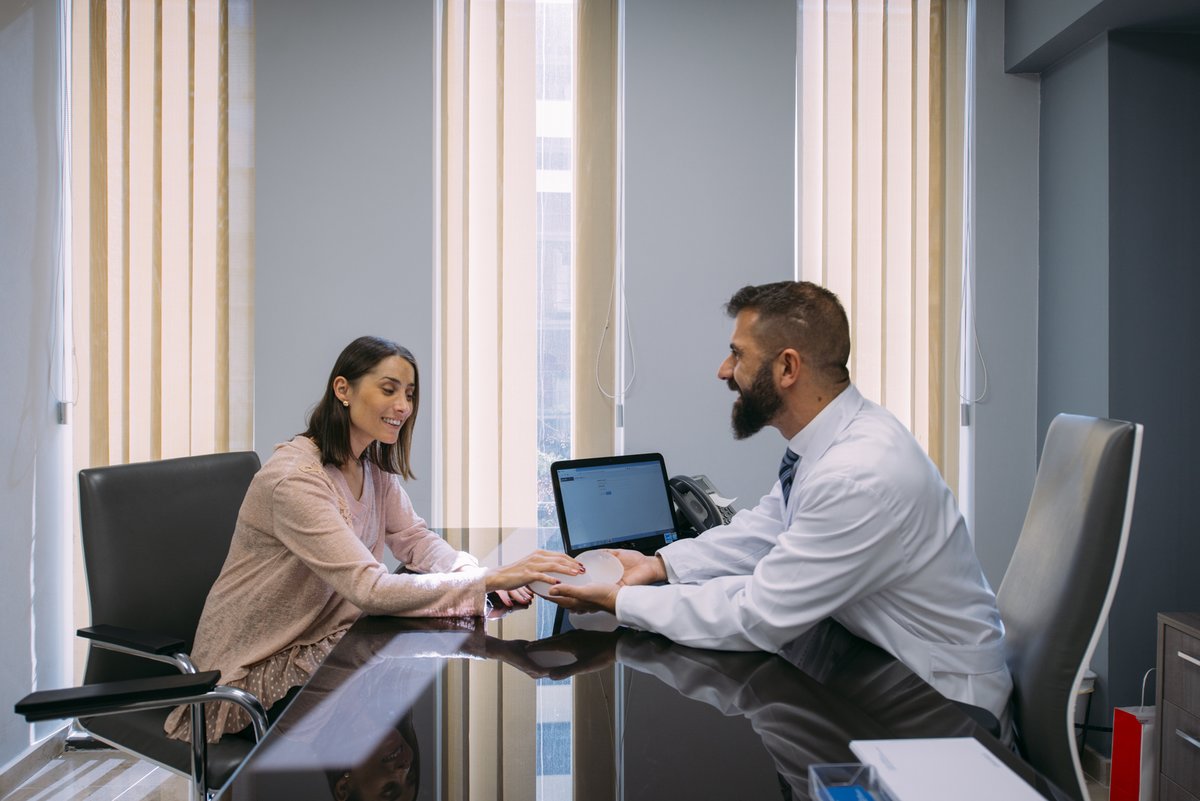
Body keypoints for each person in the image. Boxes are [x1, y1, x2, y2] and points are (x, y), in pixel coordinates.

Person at [549, 281, 1013, 726]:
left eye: (738, 354)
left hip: (938, 702)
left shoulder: (856, 474)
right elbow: (768, 528)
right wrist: (659, 564)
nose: (724, 371)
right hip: (872, 666)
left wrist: (621, 600)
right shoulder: (830, 441)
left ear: (787, 368)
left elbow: (756, 617)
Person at [166, 336, 581, 742]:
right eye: (389, 390)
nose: (403, 406)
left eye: (410, 393)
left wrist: (471, 570)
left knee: (416, 684)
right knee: (404, 696)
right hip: (253, 671)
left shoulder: (370, 468)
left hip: (327, 640)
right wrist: (489, 581)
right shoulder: (295, 480)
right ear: (343, 389)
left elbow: (415, 538)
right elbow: (370, 589)